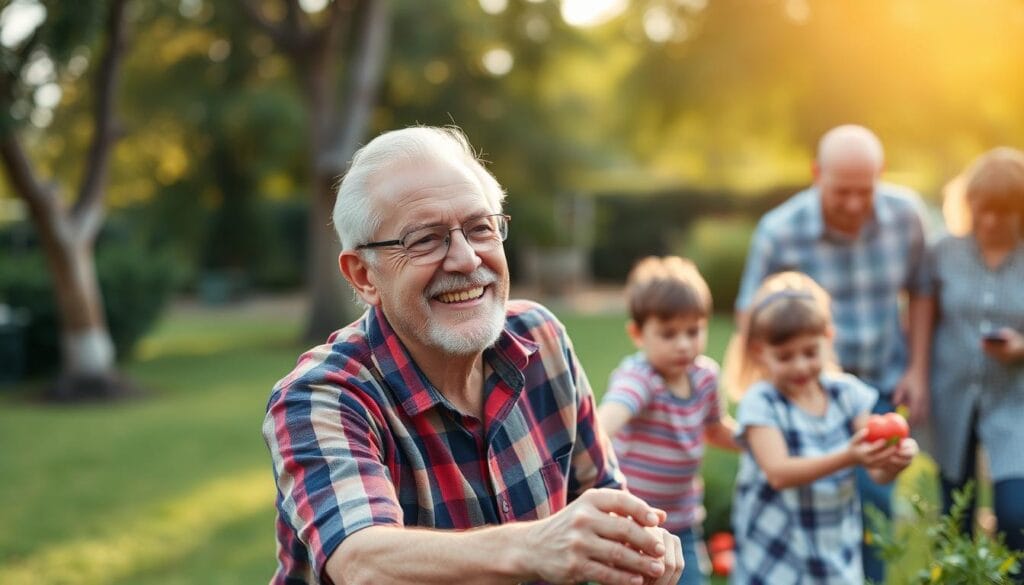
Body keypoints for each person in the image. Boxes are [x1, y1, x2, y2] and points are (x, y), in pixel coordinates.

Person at [262, 126, 683, 585]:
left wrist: (639, 547)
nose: (466, 259)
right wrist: (534, 546)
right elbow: (362, 564)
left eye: (481, 228)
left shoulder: (542, 339)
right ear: (364, 275)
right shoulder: (321, 397)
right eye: (424, 239)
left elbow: (603, 497)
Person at [733, 124, 931, 582]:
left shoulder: (906, 215)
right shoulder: (780, 230)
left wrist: (916, 373)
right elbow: (750, 314)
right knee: (797, 503)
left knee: (873, 506)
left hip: (870, 383)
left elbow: (922, 289)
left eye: (865, 190)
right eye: (842, 191)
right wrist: (768, 372)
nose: (854, 204)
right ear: (816, 173)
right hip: (792, 395)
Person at [728, 271, 918, 584]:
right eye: (785, 357)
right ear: (761, 352)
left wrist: (895, 461)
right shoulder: (761, 402)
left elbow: (876, 471)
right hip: (775, 554)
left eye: (810, 352)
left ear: (828, 339)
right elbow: (778, 473)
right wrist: (848, 457)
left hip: (832, 550)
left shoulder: (847, 394)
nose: (800, 365)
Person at [598, 256, 740, 585]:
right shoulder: (640, 377)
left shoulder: (705, 377)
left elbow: (716, 429)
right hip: (632, 527)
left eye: (693, 331)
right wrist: (595, 436)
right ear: (638, 333)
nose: (683, 345)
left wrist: (757, 440)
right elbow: (609, 418)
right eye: (668, 334)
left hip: (683, 525)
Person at [927, 147, 1024, 564]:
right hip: (953, 395)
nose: (990, 221)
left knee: (1016, 514)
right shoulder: (944, 252)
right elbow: (923, 317)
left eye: (1004, 212)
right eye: (983, 209)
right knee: (955, 513)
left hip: (1015, 400)